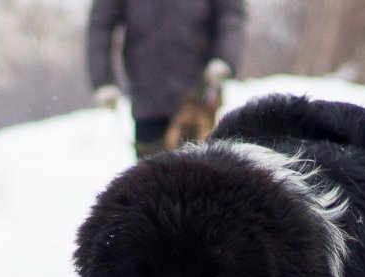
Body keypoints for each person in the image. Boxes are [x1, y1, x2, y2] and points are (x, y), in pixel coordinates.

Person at [86, 0, 247, 158]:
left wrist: (224, 59)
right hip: (147, 98)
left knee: (202, 168)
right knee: (152, 169)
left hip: (200, 97)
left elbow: (230, 15)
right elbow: (101, 23)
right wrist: (103, 80)